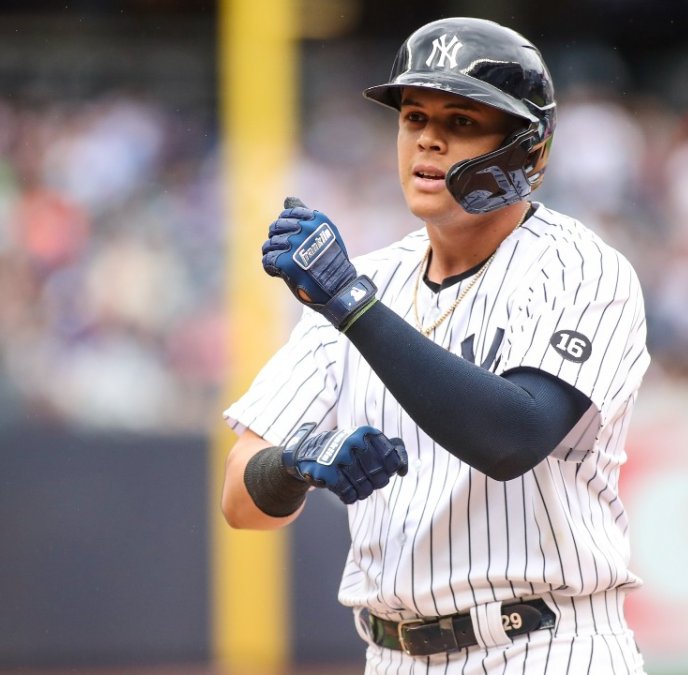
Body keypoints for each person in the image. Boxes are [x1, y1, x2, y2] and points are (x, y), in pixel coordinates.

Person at [220, 17, 650, 673]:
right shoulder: (368, 281)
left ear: (525, 149)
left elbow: (513, 434)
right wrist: (297, 461)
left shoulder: (581, 269)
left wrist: (352, 305)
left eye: (462, 121)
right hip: (392, 653)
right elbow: (241, 500)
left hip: (546, 644)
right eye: (414, 116)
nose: (428, 137)